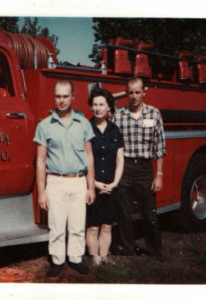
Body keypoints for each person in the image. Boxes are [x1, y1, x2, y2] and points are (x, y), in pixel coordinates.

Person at [34, 79, 95, 278]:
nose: (61, 100)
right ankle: (57, 260)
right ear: (54, 97)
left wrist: (90, 186)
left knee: (77, 225)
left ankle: (76, 258)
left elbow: (90, 156)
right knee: (56, 225)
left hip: (78, 181)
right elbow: (41, 160)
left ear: (73, 97)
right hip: (56, 181)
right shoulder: (44, 125)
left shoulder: (83, 123)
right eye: (58, 96)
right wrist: (42, 191)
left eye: (65, 96)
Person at [113, 76, 166, 260]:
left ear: (145, 92)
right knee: (125, 213)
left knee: (149, 213)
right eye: (130, 93)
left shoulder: (154, 114)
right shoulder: (118, 116)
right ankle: (128, 251)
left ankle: (155, 251)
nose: (134, 96)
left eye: (137, 92)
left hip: (145, 169)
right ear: (126, 93)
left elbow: (159, 147)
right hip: (125, 168)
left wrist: (158, 175)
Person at [86, 88, 125, 266]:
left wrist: (115, 183)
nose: (98, 108)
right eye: (95, 104)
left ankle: (104, 255)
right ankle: (94, 257)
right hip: (92, 186)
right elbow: (83, 161)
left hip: (111, 187)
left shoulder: (115, 130)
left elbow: (120, 159)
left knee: (107, 225)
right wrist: (94, 184)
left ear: (108, 107)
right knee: (93, 226)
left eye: (101, 104)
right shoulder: (86, 129)